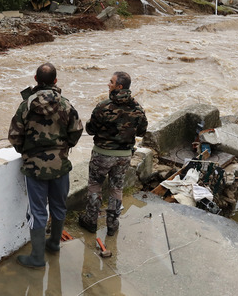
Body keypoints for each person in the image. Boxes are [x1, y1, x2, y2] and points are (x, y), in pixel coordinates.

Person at [8, 62, 83, 269]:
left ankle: (37, 258)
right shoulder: (66, 105)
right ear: (56, 81)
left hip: (34, 168)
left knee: (38, 212)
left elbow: (14, 136)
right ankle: (54, 244)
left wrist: (25, 152)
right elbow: (76, 131)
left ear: (35, 79)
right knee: (59, 206)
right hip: (60, 166)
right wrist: (63, 148)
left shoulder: (26, 106)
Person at [79, 71, 148, 236]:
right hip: (124, 156)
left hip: (101, 155)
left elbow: (90, 129)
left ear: (120, 86)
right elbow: (142, 132)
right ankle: (112, 224)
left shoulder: (103, 106)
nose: (108, 84)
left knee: (95, 186)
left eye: (111, 82)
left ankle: (91, 220)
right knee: (116, 188)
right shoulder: (138, 108)